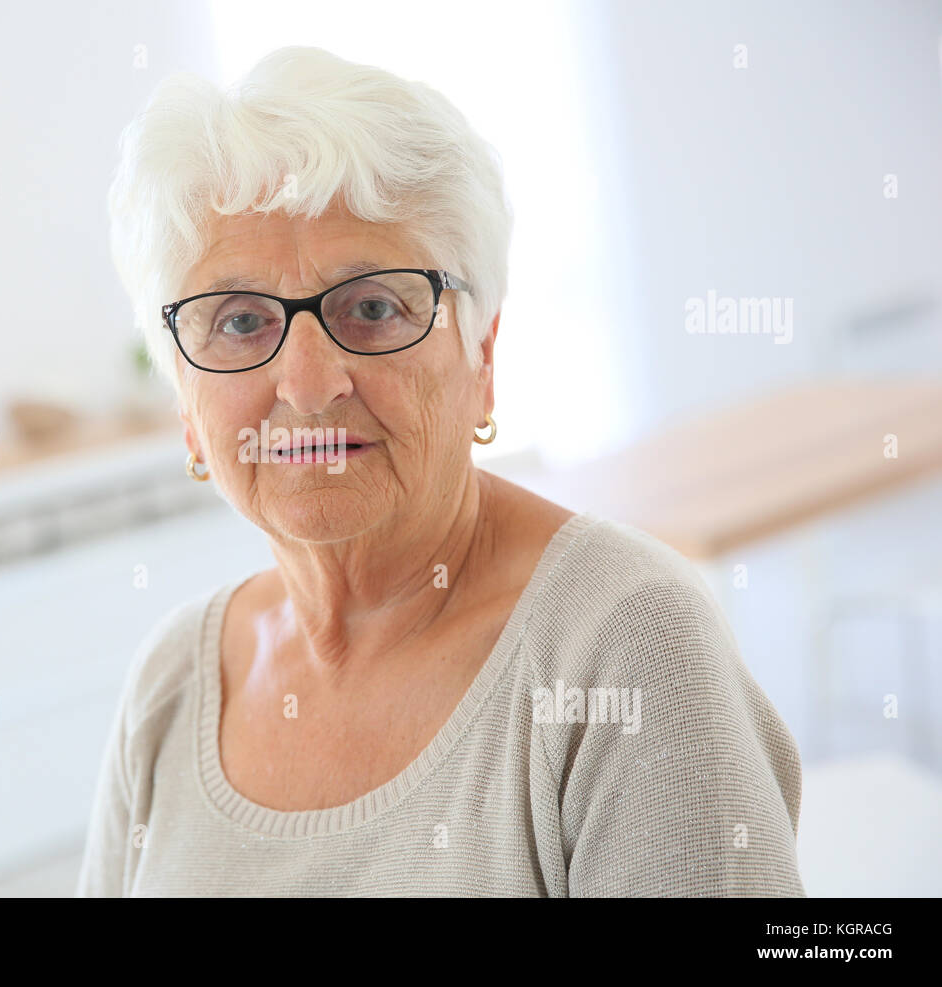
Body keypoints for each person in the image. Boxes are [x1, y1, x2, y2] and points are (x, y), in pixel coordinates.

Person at [76, 46, 804, 896]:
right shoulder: (171, 683)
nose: (308, 385)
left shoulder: (626, 646)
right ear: (186, 402)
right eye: (239, 320)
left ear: (481, 355)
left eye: (374, 306)